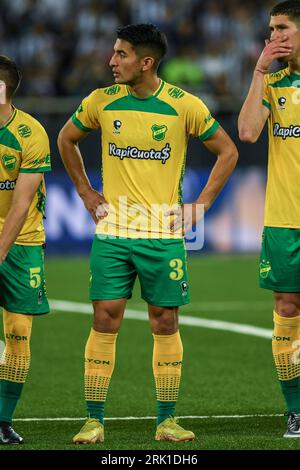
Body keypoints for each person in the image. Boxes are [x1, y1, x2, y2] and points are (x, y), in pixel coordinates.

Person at [58, 23, 238, 444]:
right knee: (105, 318)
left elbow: (228, 151)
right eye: (113, 53)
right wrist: (85, 190)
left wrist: (201, 205)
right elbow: (66, 140)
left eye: (120, 54)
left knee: (164, 320)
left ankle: (167, 421)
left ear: (146, 62)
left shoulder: (184, 105)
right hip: (114, 232)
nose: (111, 61)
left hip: (163, 234)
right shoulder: (100, 101)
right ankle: (93, 420)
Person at [238, 0, 300, 438]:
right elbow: (247, 131)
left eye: (282, 28)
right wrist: (258, 72)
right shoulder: (273, 82)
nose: (274, 36)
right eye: (271, 30)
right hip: (283, 220)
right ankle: (296, 409)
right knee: (287, 310)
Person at [0, 56, 51, 444]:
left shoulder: (30, 133)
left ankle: (3, 419)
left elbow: (20, 205)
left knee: (18, 332)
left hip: (22, 243)